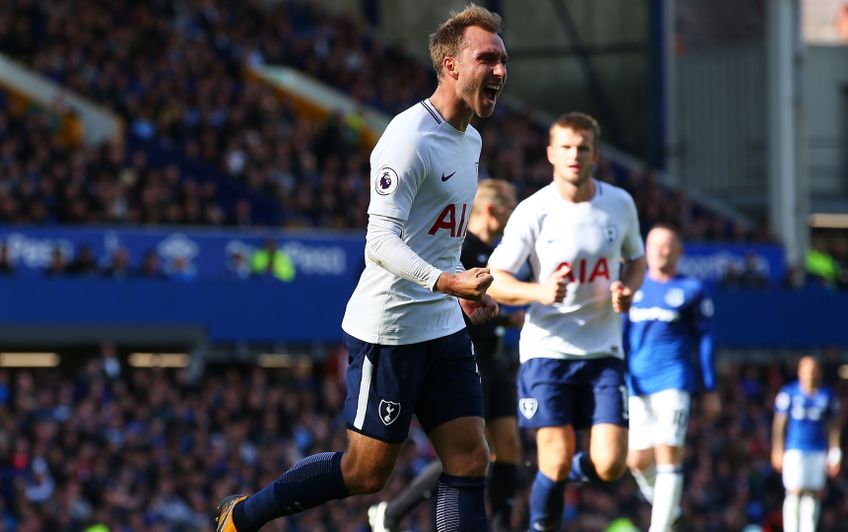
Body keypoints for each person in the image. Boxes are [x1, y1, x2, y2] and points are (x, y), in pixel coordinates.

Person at [213, 4, 508, 531]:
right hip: (390, 330)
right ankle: (243, 517)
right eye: (488, 58)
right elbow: (379, 242)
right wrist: (447, 281)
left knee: (470, 458)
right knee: (365, 473)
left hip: (442, 325)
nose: (501, 71)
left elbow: (438, 235)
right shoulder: (408, 137)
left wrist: (459, 287)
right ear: (450, 66)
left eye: (504, 60)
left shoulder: (470, 140)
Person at [487, 112, 646, 531]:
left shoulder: (619, 204)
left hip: (603, 352)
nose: (575, 155)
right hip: (547, 352)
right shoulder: (533, 211)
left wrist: (627, 289)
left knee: (611, 465)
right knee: (554, 461)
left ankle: (553, 472)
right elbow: (494, 281)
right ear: (551, 154)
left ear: (595, 154)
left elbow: (637, 260)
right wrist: (538, 292)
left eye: (584, 148)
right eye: (567, 148)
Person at [368, 179, 524, 532]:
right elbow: (454, 298)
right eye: (509, 210)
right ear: (489, 209)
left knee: (509, 446)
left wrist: (508, 316)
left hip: (495, 359)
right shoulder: (462, 247)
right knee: (472, 449)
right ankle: (392, 512)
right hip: (470, 356)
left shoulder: (489, 250)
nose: (512, 218)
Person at [622, 224, 719, 532]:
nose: (661, 251)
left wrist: (710, 386)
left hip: (674, 381)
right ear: (646, 250)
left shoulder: (692, 289)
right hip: (637, 383)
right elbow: (622, 337)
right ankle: (672, 512)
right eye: (655, 246)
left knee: (667, 454)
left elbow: (705, 341)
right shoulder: (633, 286)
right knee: (636, 461)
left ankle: (661, 527)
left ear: (679, 251)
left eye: (667, 246)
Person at [771, 356, 842, 532]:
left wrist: (835, 451)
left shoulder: (827, 395)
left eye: (813, 371)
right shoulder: (789, 393)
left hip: (818, 450)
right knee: (794, 491)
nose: (810, 375)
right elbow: (779, 423)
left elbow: (834, 425)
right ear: (799, 372)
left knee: (814, 493)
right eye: (806, 371)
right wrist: (777, 450)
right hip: (795, 449)